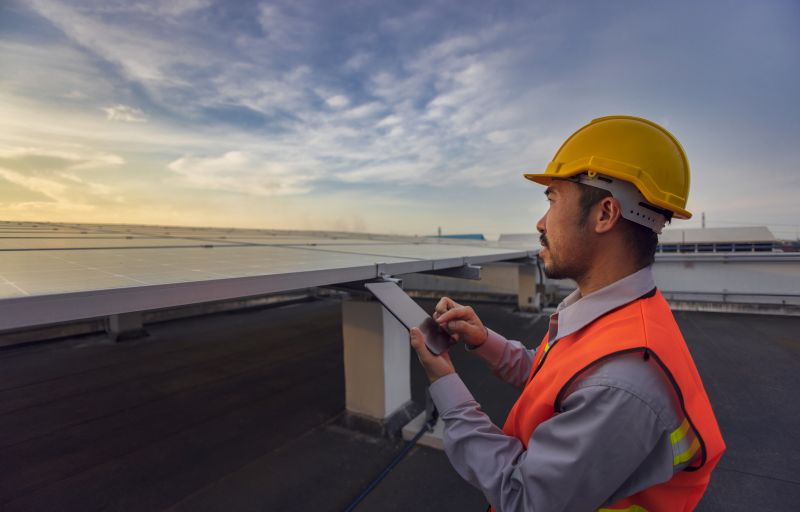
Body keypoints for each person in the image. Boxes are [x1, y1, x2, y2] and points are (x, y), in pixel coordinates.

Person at [409, 116, 725, 512]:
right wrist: (484, 340)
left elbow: (524, 498)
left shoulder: (623, 380)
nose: (540, 223)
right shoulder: (619, 318)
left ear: (605, 214)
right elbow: (555, 382)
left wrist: (446, 385)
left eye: (553, 199)